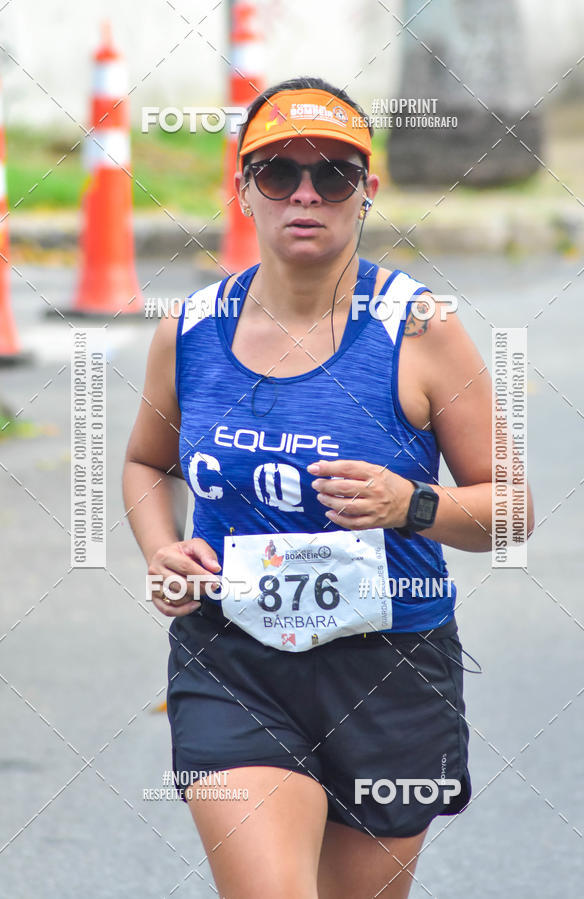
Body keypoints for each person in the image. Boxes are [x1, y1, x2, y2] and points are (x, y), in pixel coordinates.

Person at [123, 76, 534, 899]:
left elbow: (512, 509)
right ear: (243, 189)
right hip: (232, 657)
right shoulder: (191, 330)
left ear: (367, 190)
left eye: (333, 175)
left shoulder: (421, 329)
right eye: (278, 172)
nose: (305, 194)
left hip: (390, 666)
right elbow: (145, 463)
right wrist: (163, 551)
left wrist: (410, 503)